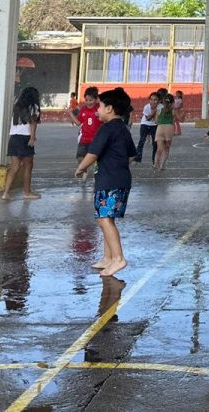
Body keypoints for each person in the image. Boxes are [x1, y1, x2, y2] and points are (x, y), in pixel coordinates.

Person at [74, 87, 136, 279]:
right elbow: (132, 155)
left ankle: (118, 258)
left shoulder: (106, 129)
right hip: (119, 180)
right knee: (107, 219)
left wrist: (81, 168)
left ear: (109, 109)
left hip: (109, 181)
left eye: (100, 106)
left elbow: (92, 154)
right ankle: (108, 257)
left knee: (104, 219)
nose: (97, 110)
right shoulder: (123, 129)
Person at [2, 86, 43, 201]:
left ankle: (5, 193)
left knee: (14, 167)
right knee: (27, 167)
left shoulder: (17, 106)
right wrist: (32, 137)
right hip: (25, 138)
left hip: (14, 138)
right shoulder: (33, 107)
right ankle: (27, 192)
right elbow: (33, 123)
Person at [153, 89, 176, 170]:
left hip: (160, 128)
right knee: (166, 149)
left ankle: (155, 164)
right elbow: (180, 119)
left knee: (159, 149)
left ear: (163, 101)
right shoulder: (173, 110)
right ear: (172, 102)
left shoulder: (159, 110)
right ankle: (162, 165)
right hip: (169, 128)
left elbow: (156, 122)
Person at [137, 91, 160, 165]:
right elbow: (148, 118)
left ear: (159, 100)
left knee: (155, 144)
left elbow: (159, 120)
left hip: (155, 126)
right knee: (141, 141)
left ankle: (154, 161)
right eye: (151, 99)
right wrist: (155, 111)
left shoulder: (161, 107)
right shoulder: (146, 107)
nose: (153, 101)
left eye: (155, 99)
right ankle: (138, 159)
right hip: (145, 124)